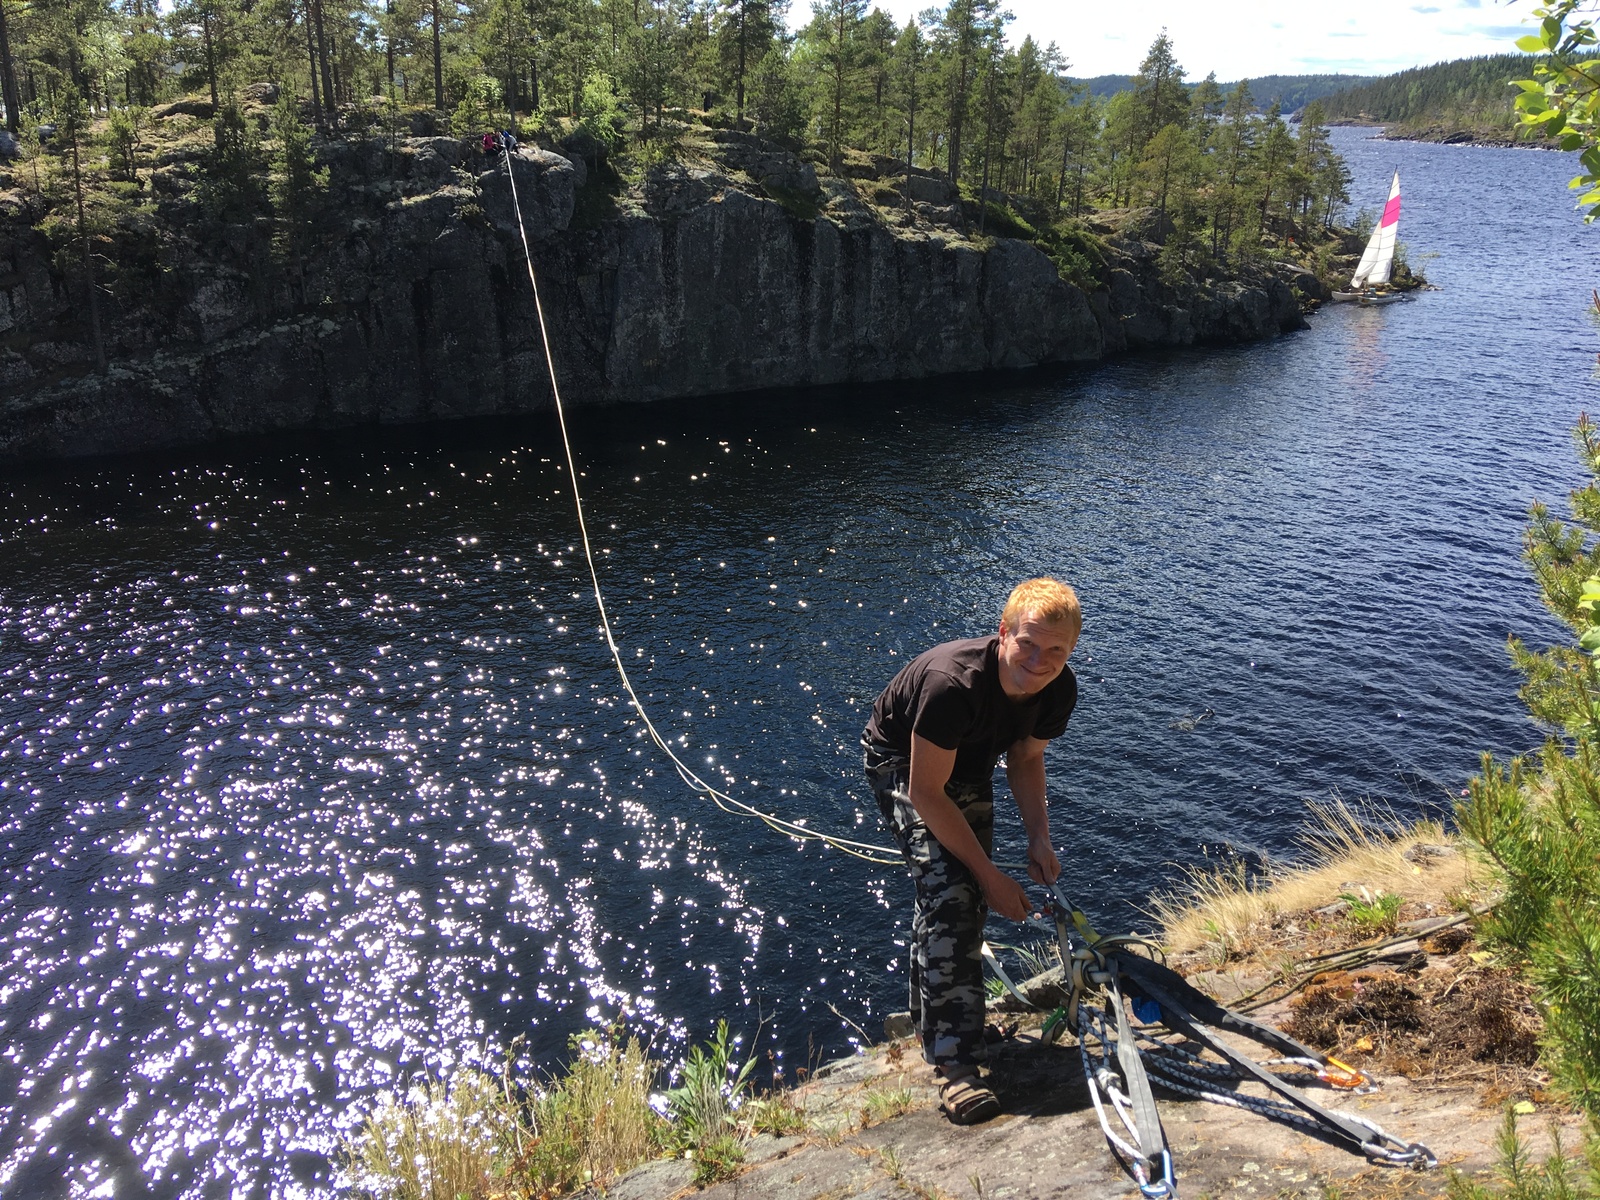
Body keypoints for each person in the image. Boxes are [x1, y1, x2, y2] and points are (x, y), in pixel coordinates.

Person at [862, 577, 1081, 1125]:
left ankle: (933, 1021)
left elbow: (1026, 761)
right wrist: (989, 874)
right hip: (907, 767)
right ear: (1003, 632)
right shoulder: (951, 685)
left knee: (954, 898)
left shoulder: (1058, 689)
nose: (1039, 660)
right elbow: (926, 793)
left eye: (1055, 650)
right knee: (955, 891)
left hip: (971, 761)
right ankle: (956, 1068)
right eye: (1027, 642)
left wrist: (1039, 836)